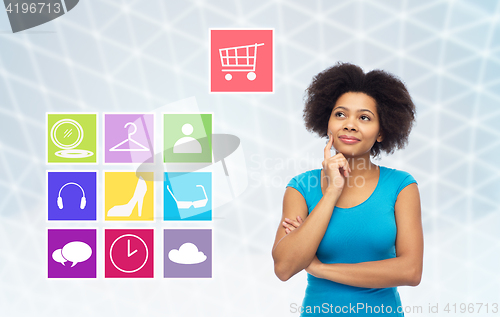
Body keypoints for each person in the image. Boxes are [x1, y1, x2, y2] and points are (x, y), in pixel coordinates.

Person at [272, 63, 423, 316]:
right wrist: (332, 192)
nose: (350, 125)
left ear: (381, 132)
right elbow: (285, 268)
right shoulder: (301, 188)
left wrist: (320, 269)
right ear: (327, 122)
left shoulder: (401, 187)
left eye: (364, 117)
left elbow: (410, 271)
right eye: (340, 114)